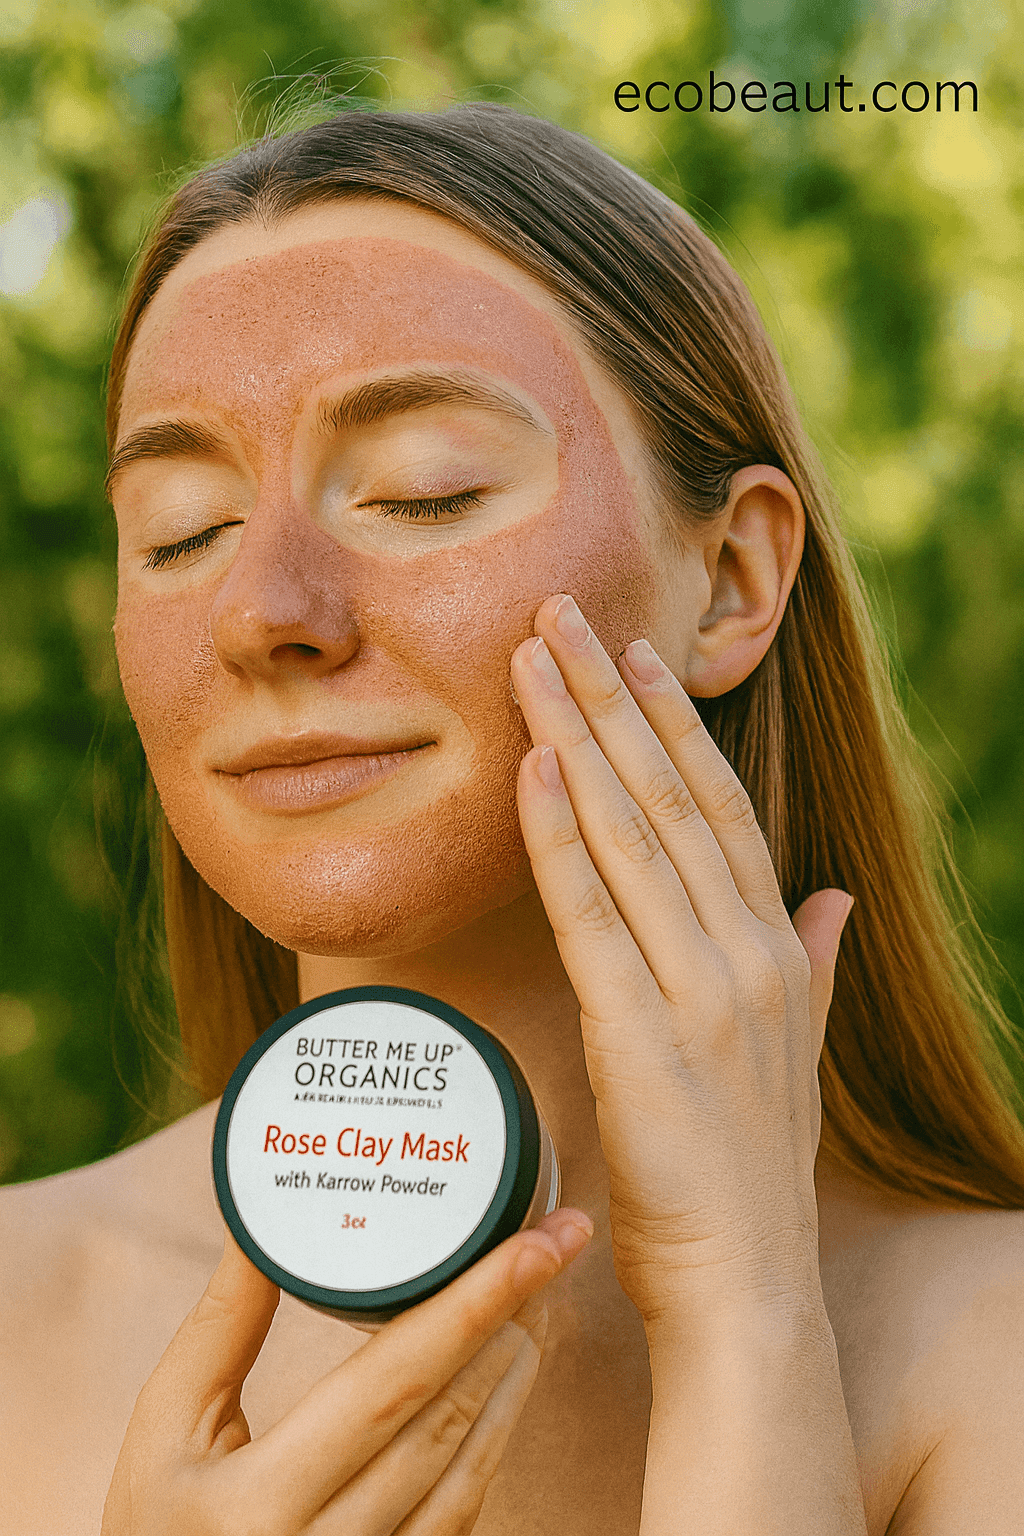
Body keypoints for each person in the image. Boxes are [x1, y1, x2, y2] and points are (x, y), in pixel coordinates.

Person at [2, 102, 1024, 1535]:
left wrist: (744, 1320)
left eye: (423, 494)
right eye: (182, 529)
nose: (262, 610)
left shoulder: (987, 1350)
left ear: (733, 577)